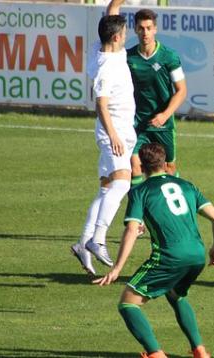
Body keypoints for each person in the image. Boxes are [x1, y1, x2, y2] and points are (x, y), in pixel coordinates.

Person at [93, 142, 214, 358]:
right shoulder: (187, 185)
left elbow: (132, 230)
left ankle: (156, 354)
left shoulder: (140, 191)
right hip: (197, 256)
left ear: (140, 166)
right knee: (176, 294)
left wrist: (117, 268)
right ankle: (200, 350)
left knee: (128, 304)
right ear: (165, 164)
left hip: (170, 257)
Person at [71, 0, 135, 274]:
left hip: (121, 131)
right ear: (117, 37)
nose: (127, 35)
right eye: (125, 32)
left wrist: (117, 3)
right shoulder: (106, 67)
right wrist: (113, 135)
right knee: (121, 186)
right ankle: (98, 239)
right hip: (115, 132)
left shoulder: (104, 49)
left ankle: (82, 243)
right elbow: (100, 103)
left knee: (107, 189)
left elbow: (112, 11)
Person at [128, 8, 187, 183]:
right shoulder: (128, 58)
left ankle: (168, 206)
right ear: (135, 29)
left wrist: (164, 115)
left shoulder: (168, 57)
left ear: (155, 29)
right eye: (141, 28)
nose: (145, 33)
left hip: (163, 124)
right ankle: (138, 208)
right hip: (137, 122)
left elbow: (181, 90)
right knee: (134, 165)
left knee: (168, 168)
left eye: (148, 28)